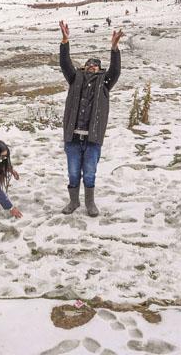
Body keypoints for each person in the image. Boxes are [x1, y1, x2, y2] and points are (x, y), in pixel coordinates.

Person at [58, 20, 123, 217]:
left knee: (90, 173)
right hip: (73, 137)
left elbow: (116, 70)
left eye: (95, 65)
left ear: (100, 69)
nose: (92, 67)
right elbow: (65, 63)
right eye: (89, 65)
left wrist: (114, 48)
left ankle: (90, 203)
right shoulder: (74, 78)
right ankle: (74, 201)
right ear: (84, 67)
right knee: (73, 173)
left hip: (93, 138)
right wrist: (65, 41)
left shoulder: (105, 83)